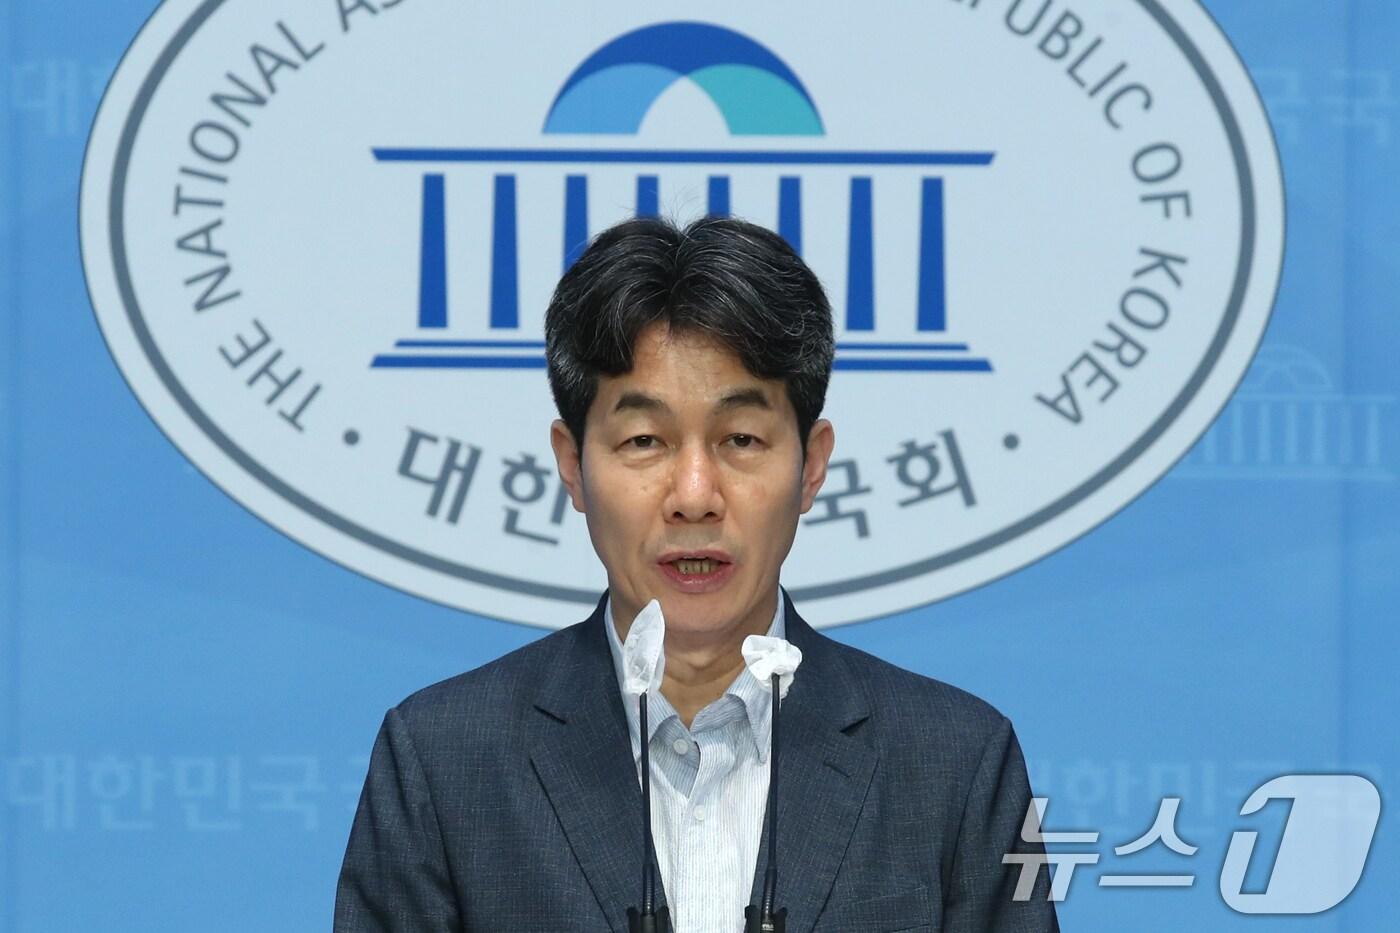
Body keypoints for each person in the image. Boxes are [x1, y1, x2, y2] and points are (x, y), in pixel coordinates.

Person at [334, 216, 1058, 932]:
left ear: (811, 466)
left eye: (740, 438)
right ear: (572, 465)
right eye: (644, 440)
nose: (693, 495)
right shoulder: (443, 762)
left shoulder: (956, 764)